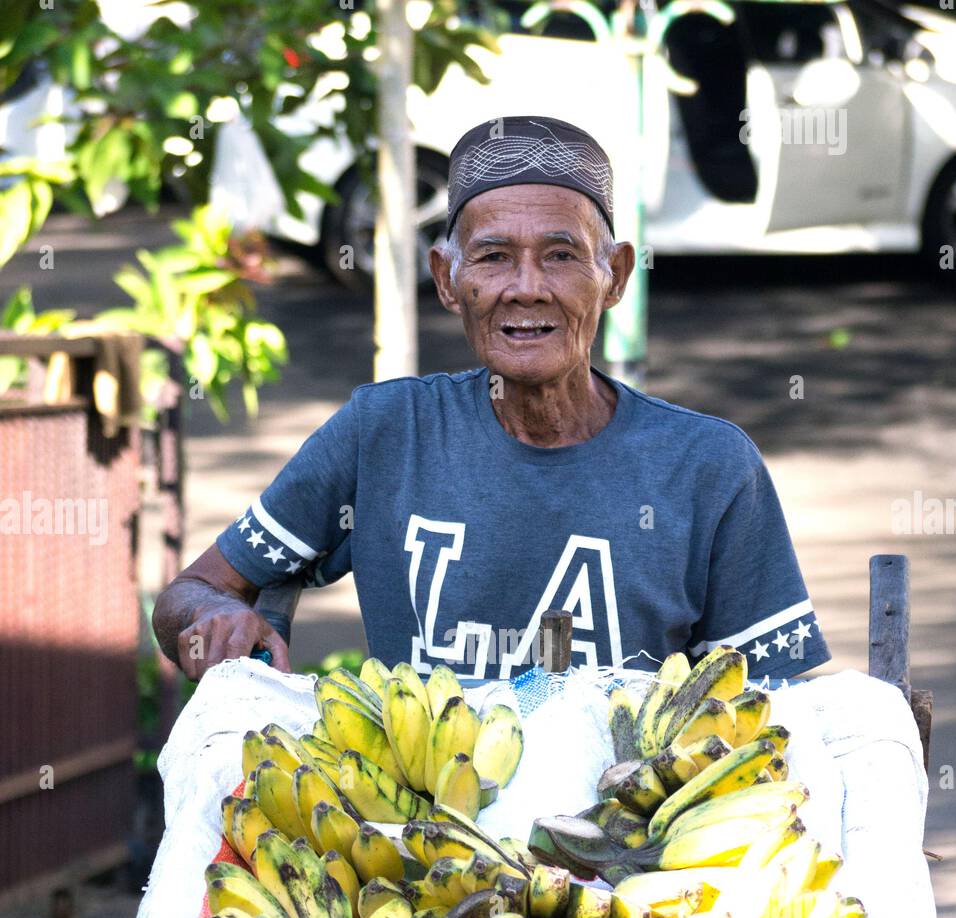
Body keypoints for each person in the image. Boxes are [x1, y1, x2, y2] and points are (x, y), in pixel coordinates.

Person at [153, 115, 830, 687]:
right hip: (419, 832)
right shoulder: (385, 433)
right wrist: (213, 616)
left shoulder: (708, 468)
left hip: (632, 836)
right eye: (494, 257)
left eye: (562, 256)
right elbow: (186, 594)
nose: (526, 287)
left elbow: (768, 712)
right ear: (448, 280)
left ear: (615, 275)